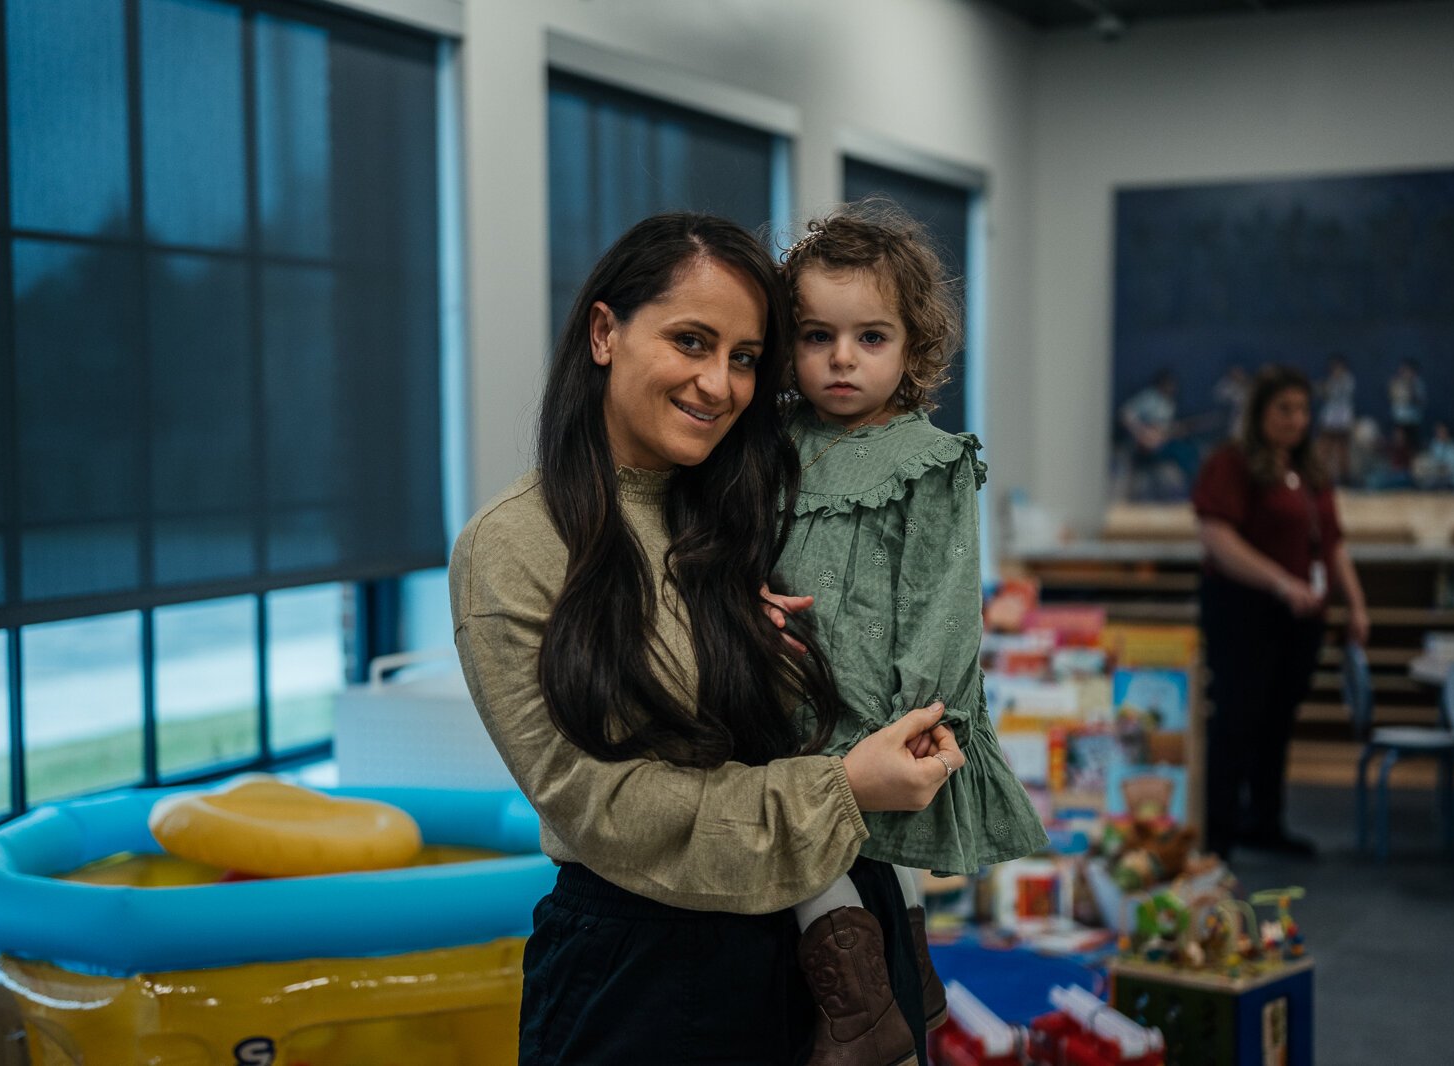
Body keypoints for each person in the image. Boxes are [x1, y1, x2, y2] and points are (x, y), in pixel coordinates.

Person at [449, 214, 963, 1064]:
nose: (719, 384)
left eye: (746, 357)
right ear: (604, 331)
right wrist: (841, 791)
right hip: (653, 972)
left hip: (839, 943)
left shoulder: (761, 504)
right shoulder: (516, 547)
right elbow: (604, 805)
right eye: (691, 341)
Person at [772, 203, 1048, 1060]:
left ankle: (870, 998)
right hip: (787, 669)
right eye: (817, 335)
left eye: (871, 337)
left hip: (879, 690)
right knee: (794, 809)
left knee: (836, 821)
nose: (841, 359)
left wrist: (921, 710)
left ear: (913, 347)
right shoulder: (772, 441)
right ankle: (890, 979)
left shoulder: (928, 458)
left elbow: (938, 598)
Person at [1192, 365, 1370, 860]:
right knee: (1236, 718)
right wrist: (1281, 582)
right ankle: (1219, 831)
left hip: (1303, 617)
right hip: (1245, 610)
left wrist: (1356, 605)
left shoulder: (1309, 469)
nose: (1296, 419)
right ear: (1260, 413)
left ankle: (1265, 822)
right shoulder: (1231, 464)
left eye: (1303, 409)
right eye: (1284, 409)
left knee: (1278, 720)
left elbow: (1333, 544)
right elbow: (1216, 537)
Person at [1119, 369, 1200, 492]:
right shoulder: (1149, 396)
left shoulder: (1170, 404)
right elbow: (1125, 413)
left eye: (1173, 385)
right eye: (1169, 384)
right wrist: (1142, 432)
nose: (1171, 388)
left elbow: (1165, 429)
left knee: (1188, 451)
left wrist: (1176, 430)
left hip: (1162, 443)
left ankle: (1193, 489)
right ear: (1162, 383)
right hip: (1143, 444)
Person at [1316, 353, 1355, 484]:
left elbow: (1337, 393)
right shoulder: (1330, 380)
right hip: (1329, 419)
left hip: (1342, 420)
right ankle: (1319, 475)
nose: (1335, 370)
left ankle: (1345, 477)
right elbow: (1324, 393)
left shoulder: (1348, 380)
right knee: (1325, 448)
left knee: (1342, 450)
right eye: (1333, 367)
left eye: (1338, 367)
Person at [1387, 358, 1427, 450]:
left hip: (1413, 420)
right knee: (1399, 445)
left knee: (1413, 445)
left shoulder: (1418, 384)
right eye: (1404, 370)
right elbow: (1392, 396)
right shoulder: (1396, 382)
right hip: (1399, 419)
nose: (1406, 373)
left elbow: (1420, 401)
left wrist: (1410, 388)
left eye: (1408, 370)